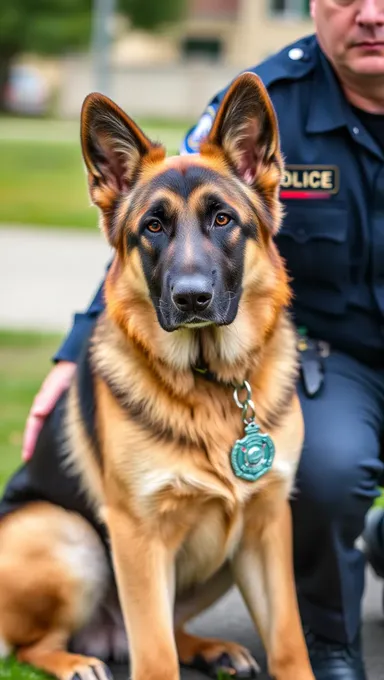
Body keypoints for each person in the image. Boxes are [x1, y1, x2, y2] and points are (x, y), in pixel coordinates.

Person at [19, 1, 384, 678]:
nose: (370, 14)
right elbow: (138, 236)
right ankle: (327, 650)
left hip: (266, 359)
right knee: (327, 469)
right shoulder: (265, 99)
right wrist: (72, 356)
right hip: (337, 360)